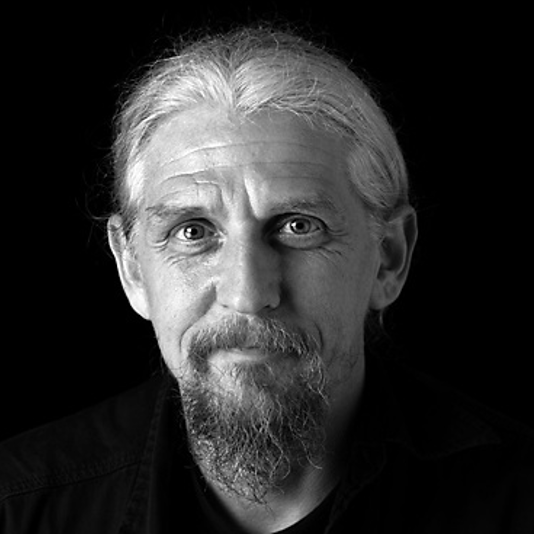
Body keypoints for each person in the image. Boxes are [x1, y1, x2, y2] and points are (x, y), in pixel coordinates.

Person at [0, 25, 532, 533]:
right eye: (192, 232)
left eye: (298, 227)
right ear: (133, 268)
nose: (248, 295)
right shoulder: (18, 509)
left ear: (388, 258)